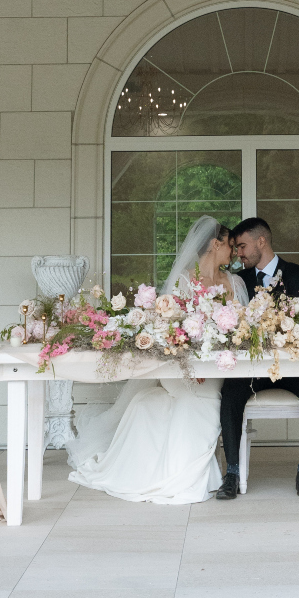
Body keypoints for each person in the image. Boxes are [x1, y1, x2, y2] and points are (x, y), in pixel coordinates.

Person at [66, 216, 248, 505]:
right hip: (182, 366)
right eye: (229, 244)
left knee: (202, 400)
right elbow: (170, 329)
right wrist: (191, 367)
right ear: (215, 244)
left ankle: (178, 472)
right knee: (189, 396)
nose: (235, 252)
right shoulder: (184, 280)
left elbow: (245, 328)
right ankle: (179, 475)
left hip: (218, 365)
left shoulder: (236, 283)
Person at [216, 217, 299, 500]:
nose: (238, 253)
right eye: (235, 247)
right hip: (253, 368)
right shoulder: (237, 282)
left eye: (242, 246)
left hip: (294, 367)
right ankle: (231, 474)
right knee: (230, 394)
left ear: (262, 241)